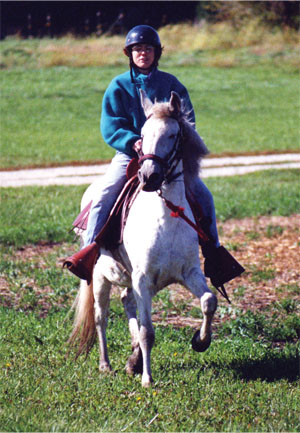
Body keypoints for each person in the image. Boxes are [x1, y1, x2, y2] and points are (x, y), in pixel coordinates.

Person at [67, 25, 244, 292]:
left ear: (156, 53)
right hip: (130, 155)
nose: (143, 53)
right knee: (103, 195)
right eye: (137, 49)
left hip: (168, 159)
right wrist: (132, 141)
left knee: (204, 197)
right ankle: (89, 252)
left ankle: (214, 254)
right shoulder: (118, 86)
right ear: (130, 53)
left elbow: (187, 122)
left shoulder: (172, 84)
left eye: (148, 49)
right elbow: (110, 125)